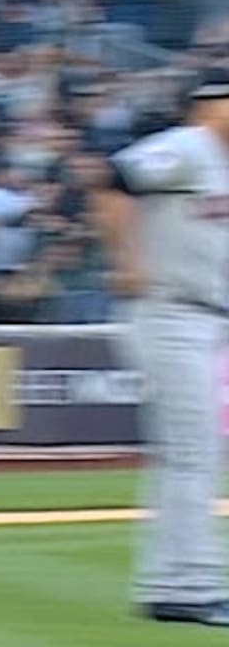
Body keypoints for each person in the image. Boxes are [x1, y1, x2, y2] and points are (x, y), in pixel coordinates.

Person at [95, 73, 229, 627]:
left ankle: (174, 583)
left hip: (204, 318)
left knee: (192, 454)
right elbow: (114, 180)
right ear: (213, 105)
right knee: (192, 453)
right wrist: (126, 261)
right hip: (169, 313)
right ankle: (186, 587)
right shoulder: (187, 145)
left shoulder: (218, 160)